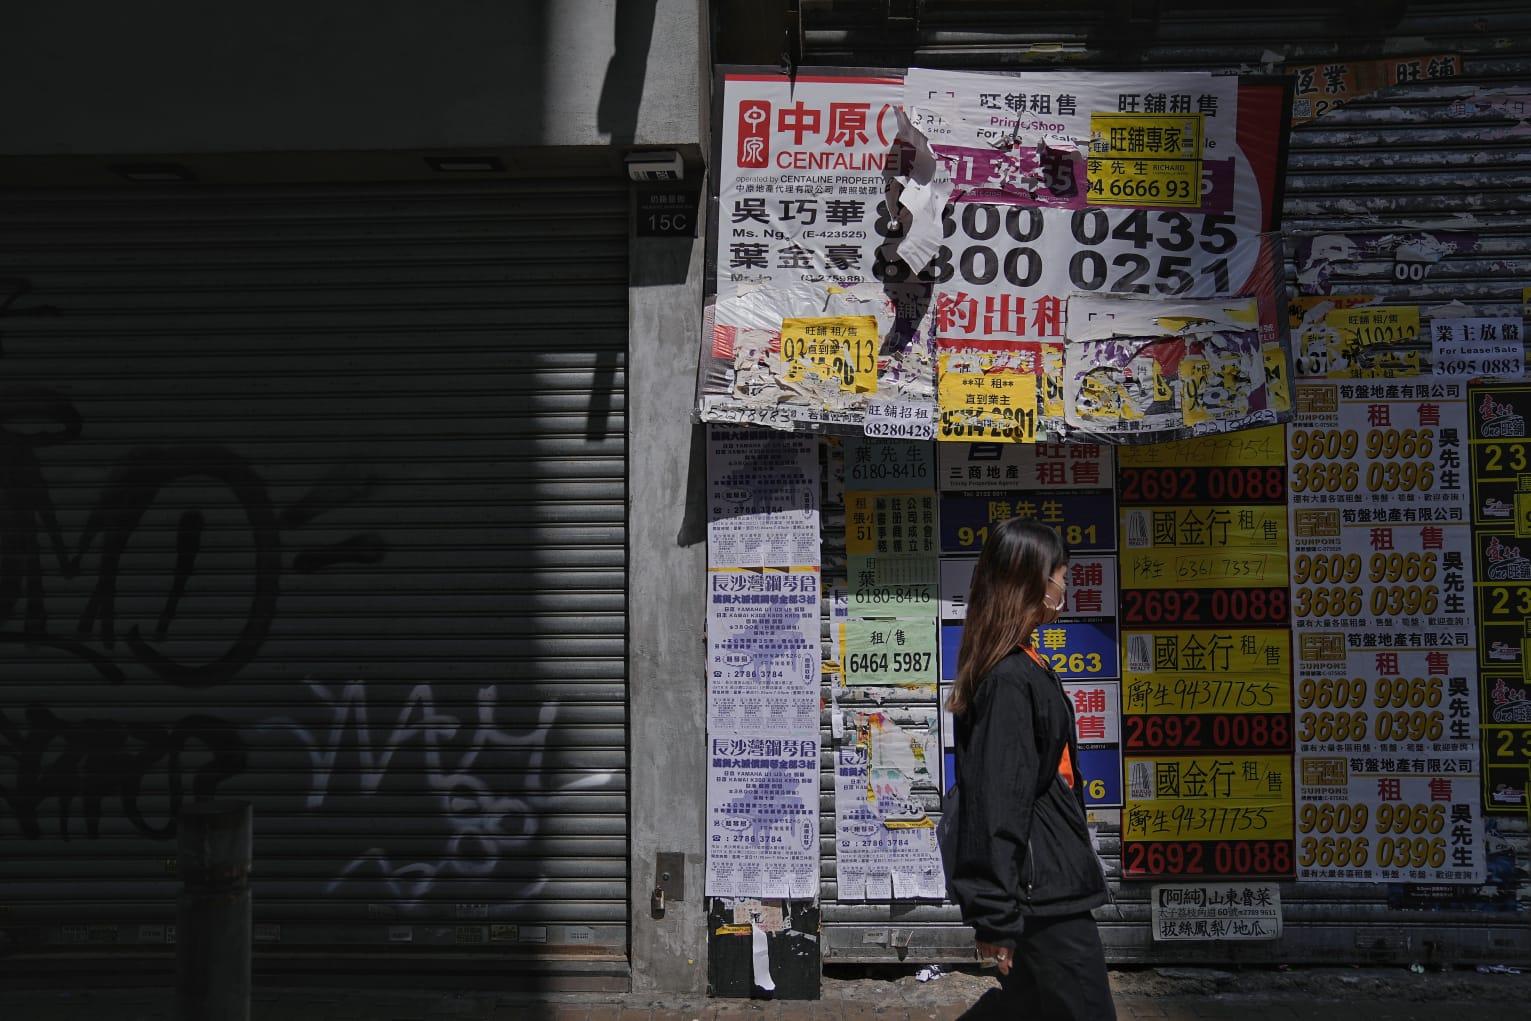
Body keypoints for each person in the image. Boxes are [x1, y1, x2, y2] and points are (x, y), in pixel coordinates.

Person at [947, 517, 1114, 1020]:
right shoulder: (1009, 680)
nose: (1066, 585)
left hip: (1047, 884)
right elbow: (997, 802)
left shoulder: (1026, 665)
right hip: (1042, 899)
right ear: (1035, 582)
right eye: (1060, 574)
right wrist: (996, 919)